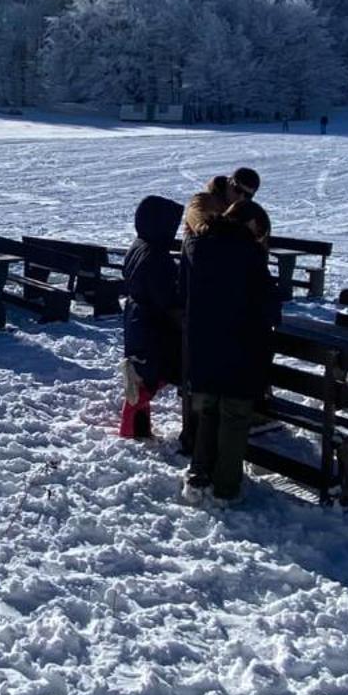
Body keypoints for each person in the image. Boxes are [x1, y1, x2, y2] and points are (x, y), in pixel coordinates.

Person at [180, 196, 276, 501]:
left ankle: (198, 475)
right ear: (251, 224)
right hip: (241, 349)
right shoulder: (250, 253)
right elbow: (268, 308)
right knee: (234, 417)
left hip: (203, 347)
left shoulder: (195, 244)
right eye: (261, 232)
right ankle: (226, 488)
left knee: (208, 412)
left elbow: (183, 292)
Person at [119, 195, 183, 441]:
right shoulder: (156, 255)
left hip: (137, 318)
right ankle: (132, 429)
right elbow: (166, 297)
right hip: (152, 323)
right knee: (149, 378)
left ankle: (136, 427)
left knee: (142, 373)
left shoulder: (140, 244)